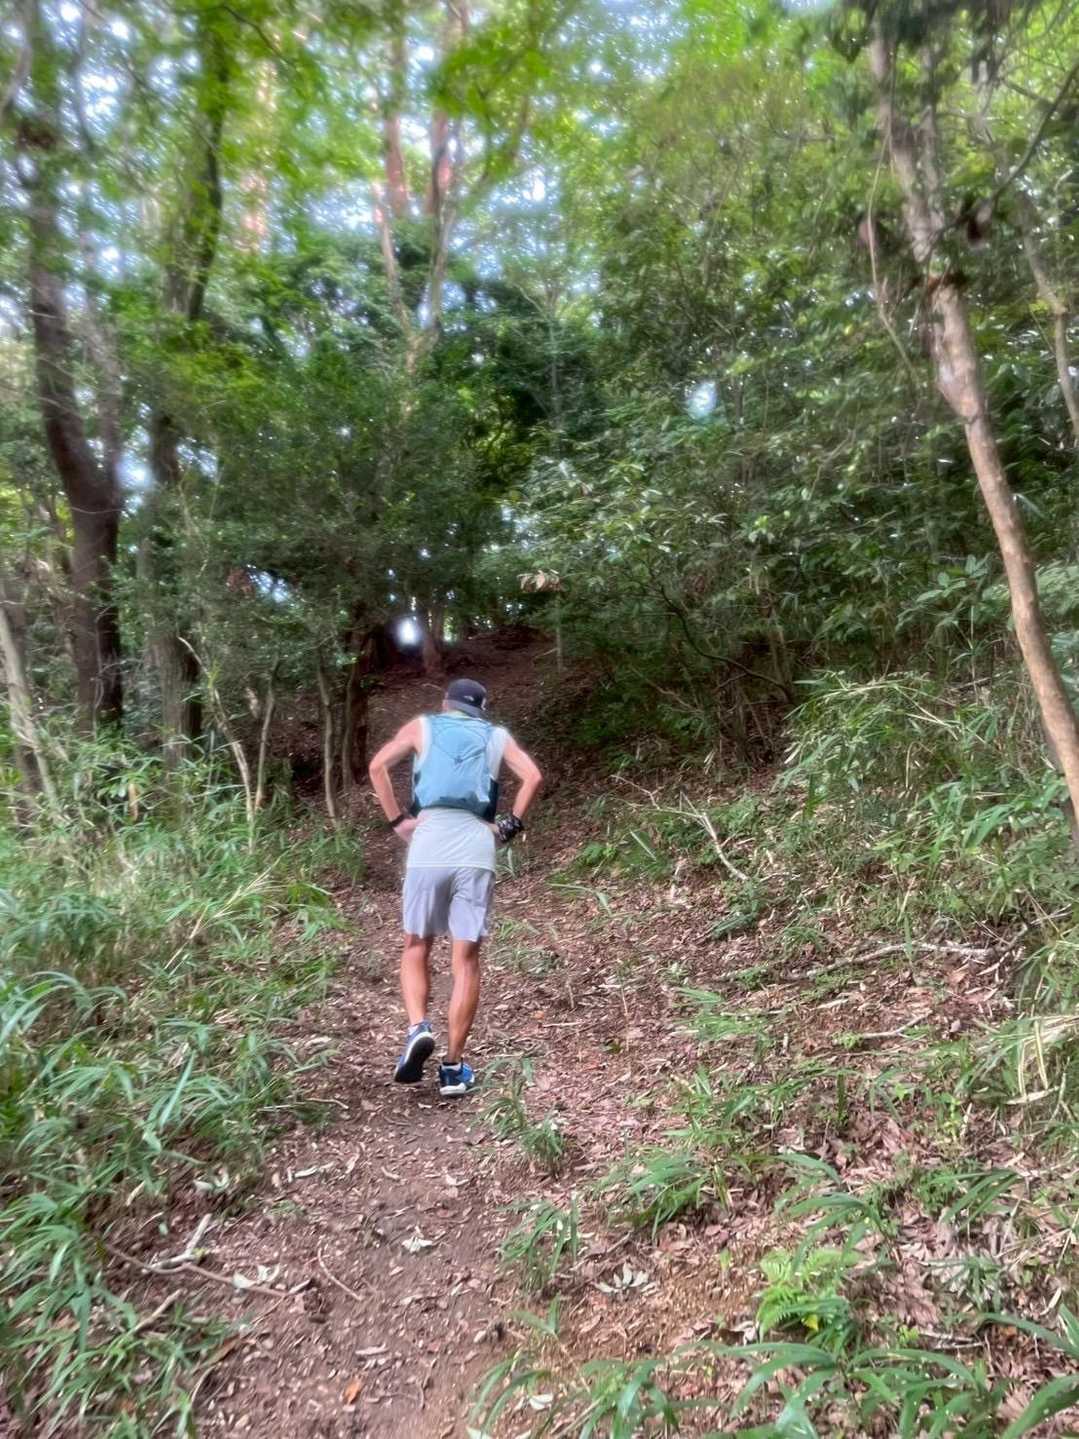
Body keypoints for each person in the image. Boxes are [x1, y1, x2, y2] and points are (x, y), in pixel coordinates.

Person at [367, 677, 543, 1096]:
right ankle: (452, 1067)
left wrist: (398, 821)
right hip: (476, 846)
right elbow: (533, 777)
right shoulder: (496, 736)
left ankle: (418, 1028)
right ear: (480, 710)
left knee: (416, 944)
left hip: (428, 842)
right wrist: (509, 826)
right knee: (466, 960)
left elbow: (377, 766)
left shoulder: (422, 727)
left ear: (445, 703)